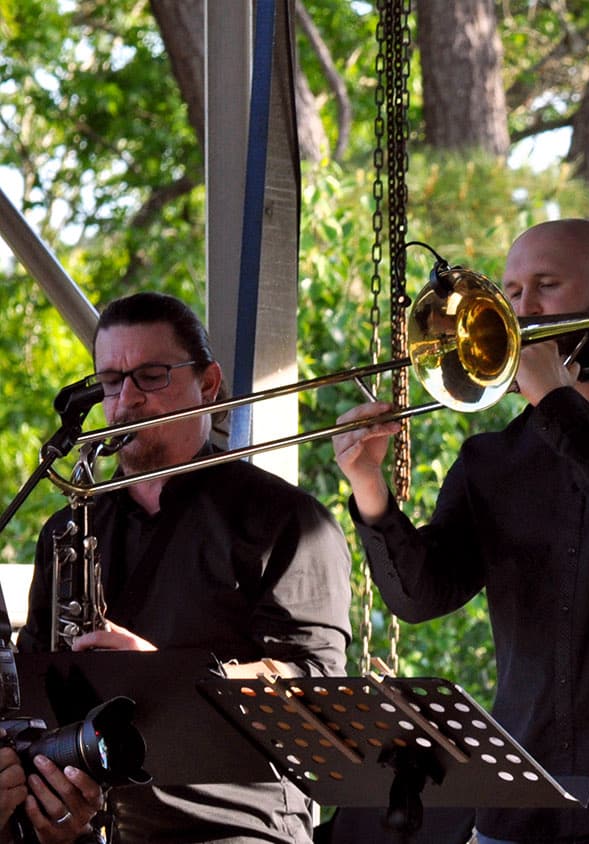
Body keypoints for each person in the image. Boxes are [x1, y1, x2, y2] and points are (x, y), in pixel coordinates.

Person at [332, 218, 589, 843]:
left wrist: (557, 401)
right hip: (519, 805)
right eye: (512, 291)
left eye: (546, 286)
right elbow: (420, 597)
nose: (521, 310)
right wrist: (369, 487)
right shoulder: (491, 459)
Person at [16, 292, 353, 843]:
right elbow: (34, 678)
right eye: (110, 381)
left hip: (238, 828)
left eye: (150, 376)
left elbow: (318, 692)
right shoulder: (69, 529)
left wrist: (167, 678)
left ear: (209, 383)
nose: (125, 399)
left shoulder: (286, 519)